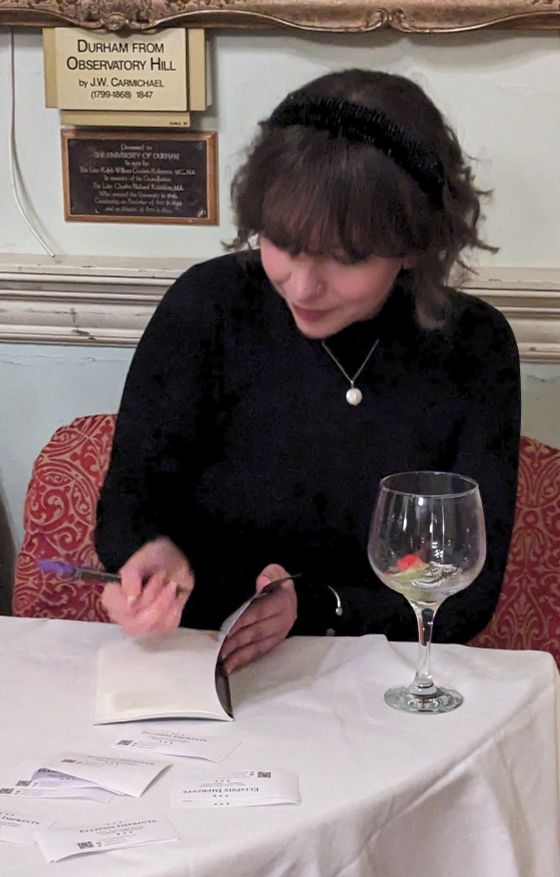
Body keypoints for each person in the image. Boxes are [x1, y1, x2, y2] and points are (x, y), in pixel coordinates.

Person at [95, 68, 521, 673]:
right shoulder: (207, 307)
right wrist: (152, 556)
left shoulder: (474, 347)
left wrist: (317, 605)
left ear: (415, 245)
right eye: (283, 241)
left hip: (383, 677)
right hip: (199, 667)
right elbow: (129, 507)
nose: (302, 284)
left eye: (345, 258)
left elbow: (466, 597)